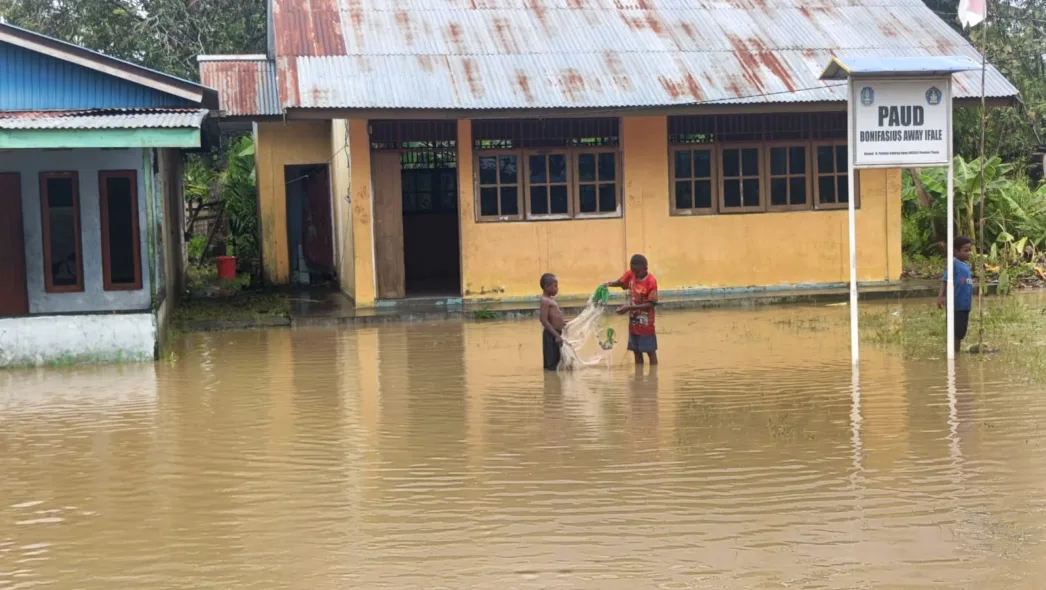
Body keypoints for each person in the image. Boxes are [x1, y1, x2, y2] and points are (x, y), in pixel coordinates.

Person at [604, 254, 659, 365]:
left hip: (646, 325)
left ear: (645, 268)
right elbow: (620, 282)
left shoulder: (651, 281)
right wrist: (607, 284)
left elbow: (651, 304)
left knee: (650, 351)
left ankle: (653, 379)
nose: (635, 274)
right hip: (633, 324)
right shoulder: (631, 274)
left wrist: (629, 307)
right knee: (636, 352)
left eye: (637, 272)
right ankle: (638, 379)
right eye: (633, 271)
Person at [937, 236, 974, 354]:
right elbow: (945, 280)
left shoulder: (965, 265)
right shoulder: (953, 264)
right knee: (955, 331)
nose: (969, 253)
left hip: (964, 305)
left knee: (960, 331)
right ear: (957, 251)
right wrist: (941, 296)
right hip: (955, 304)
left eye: (970, 250)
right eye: (966, 250)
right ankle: (954, 353)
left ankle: (956, 351)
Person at [539, 273, 566, 371]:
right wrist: (556, 335)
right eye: (555, 286)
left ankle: (555, 384)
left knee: (557, 361)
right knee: (551, 366)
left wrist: (562, 323)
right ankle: (550, 384)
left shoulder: (550, 300)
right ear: (546, 286)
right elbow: (543, 320)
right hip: (550, 336)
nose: (557, 288)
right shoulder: (545, 300)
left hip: (556, 334)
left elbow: (553, 317)